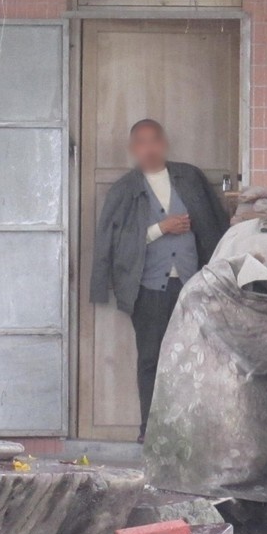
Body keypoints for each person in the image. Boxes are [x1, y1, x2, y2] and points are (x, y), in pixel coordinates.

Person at [89, 119, 230, 442]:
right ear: (133, 149)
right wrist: (160, 229)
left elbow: (215, 226)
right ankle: (150, 431)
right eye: (141, 142)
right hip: (149, 288)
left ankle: (191, 430)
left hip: (192, 286)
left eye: (154, 141)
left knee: (195, 356)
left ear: (164, 144)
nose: (149, 148)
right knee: (151, 358)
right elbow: (114, 240)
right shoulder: (125, 189)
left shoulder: (189, 178)